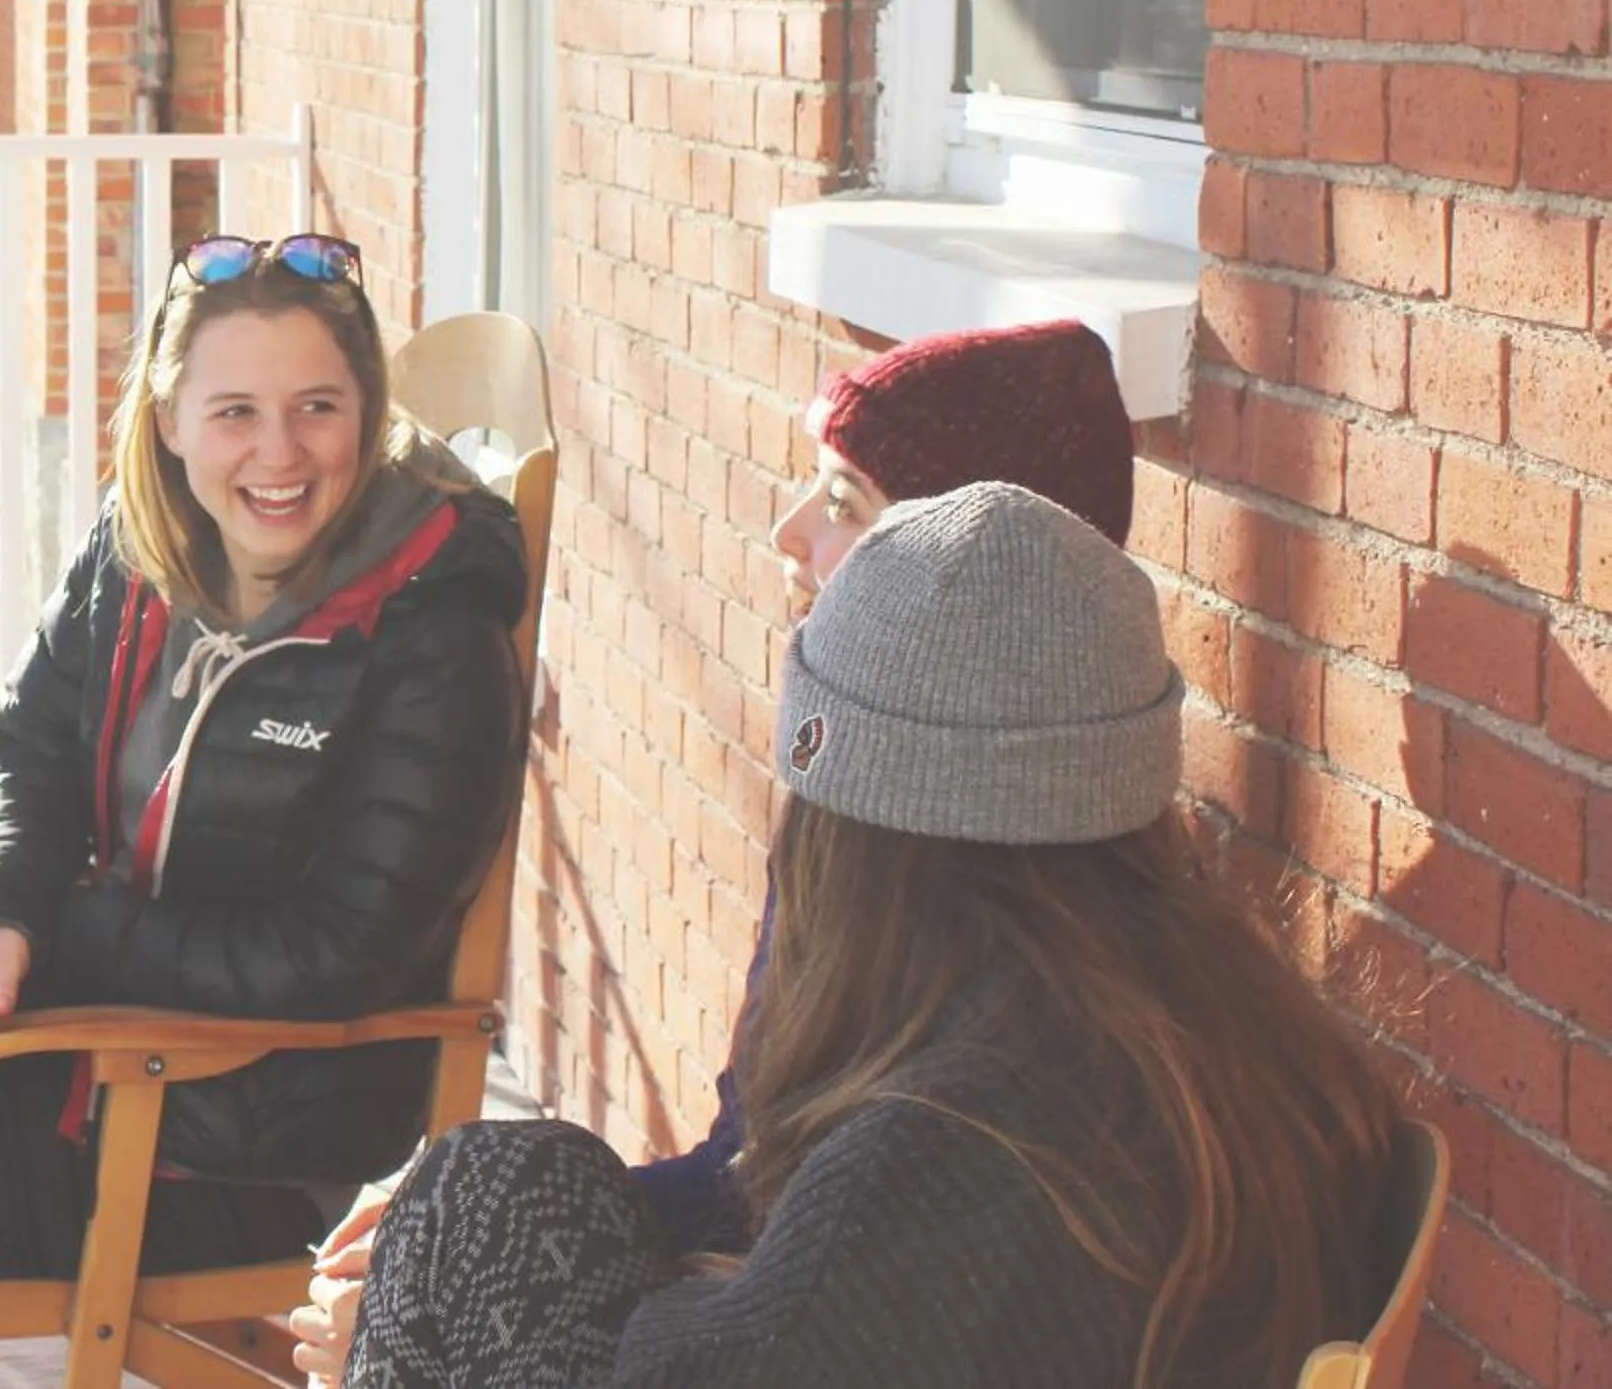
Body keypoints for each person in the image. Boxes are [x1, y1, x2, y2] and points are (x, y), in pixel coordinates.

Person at [0, 232, 530, 1389]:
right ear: (171, 421)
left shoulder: (436, 637)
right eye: (234, 412)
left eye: (318, 407)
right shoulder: (138, 557)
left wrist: (67, 929)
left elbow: (337, 958)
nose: (279, 454)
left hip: (250, 1154)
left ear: (369, 415)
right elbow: (26, 746)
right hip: (104, 1061)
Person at [345, 482, 1402, 1388]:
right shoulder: (1199, 1036)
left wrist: (431, 1322)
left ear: (851, 827)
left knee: (479, 1199)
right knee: (512, 1192)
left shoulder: (962, 1147)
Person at [295, 315, 1142, 1373]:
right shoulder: (1109, 937)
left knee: (479, 1199)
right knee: (482, 1189)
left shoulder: (954, 1122)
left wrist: (434, 1286)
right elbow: (752, 1181)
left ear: (954, 598)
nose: (788, 530)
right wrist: (431, 1253)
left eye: (844, 502)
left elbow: (751, 1325)